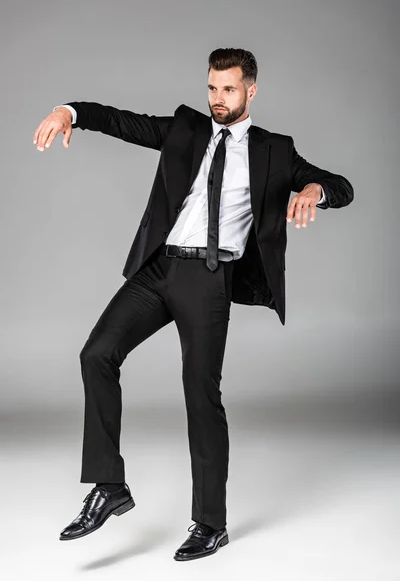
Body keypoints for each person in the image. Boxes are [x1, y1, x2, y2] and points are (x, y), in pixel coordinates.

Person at [32, 47, 354, 561]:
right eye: (211, 88)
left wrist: (314, 189)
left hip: (209, 278)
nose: (218, 99)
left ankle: (210, 523)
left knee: (200, 393)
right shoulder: (187, 128)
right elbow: (121, 121)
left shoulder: (275, 150)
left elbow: (342, 186)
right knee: (97, 354)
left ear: (251, 89)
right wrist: (68, 111)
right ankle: (108, 486)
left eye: (228, 89)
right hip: (159, 268)